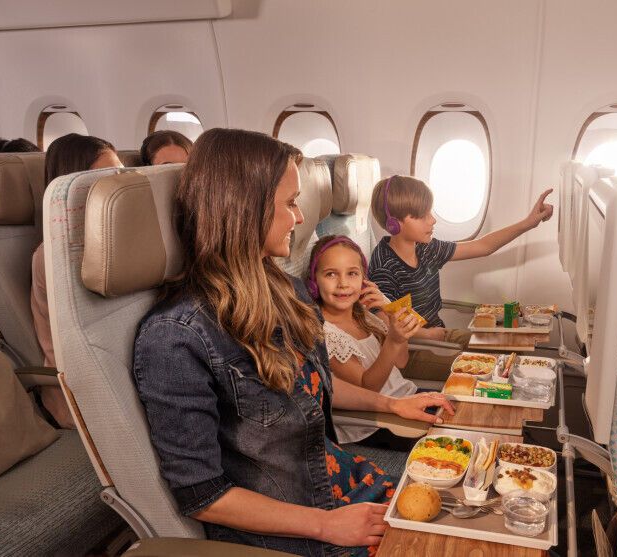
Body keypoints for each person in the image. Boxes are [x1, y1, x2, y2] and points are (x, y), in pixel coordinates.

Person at [133, 129, 454, 556]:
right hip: (294, 525)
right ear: (243, 209)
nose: (300, 218)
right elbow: (201, 494)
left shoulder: (287, 292)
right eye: (288, 203)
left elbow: (310, 388)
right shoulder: (176, 336)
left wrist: (394, 405)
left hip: (333, 477)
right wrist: (327, 525)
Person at [368, 174, 553, 377]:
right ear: (394, 224)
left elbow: (483, 246)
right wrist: (426, 334)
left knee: (506, 345)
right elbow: (384, 322)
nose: (433, 219)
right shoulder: (384, 266)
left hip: (437, 334)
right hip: (410, 350)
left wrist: (528, 223)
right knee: (493, 369)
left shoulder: (425, 247)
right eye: (422, 216)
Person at [31, 134, 123, 428]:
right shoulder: (52, 256)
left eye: (119, 175)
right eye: (102, 180)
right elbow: (88, 345)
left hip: (117, 371)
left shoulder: (113, 236)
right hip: (78, 392)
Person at [307, 235, 432, 448]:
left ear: (364, 279)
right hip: (375, 422)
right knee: (455, 434)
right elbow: (368, 387)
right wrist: (393, 340)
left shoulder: (363, 315)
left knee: (460, 408)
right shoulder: (325, 333)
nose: (343, 284)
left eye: (352, 273)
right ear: (314, 281)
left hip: (405, 395)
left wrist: (391, 312)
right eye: (331, 274)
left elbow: (401, 361)